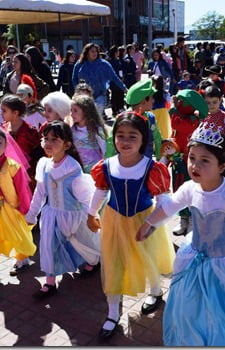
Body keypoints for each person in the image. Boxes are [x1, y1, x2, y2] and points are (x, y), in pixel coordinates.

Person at [136, 122, 225, 346]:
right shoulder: (190, 188)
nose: (195, 165)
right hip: (195, 257)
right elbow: (170, 207)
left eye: (205, 160)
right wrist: (149, 223)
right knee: (192, 306)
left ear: (222, 167)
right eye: (192, 158)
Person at [87, 112, 175, 338]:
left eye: (132, 136)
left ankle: (155, 293)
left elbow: (164, 203)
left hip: (144, 221)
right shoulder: (105, 166)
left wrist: (151, 224)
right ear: (114, 138)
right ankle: (112, 312)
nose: (125, 142)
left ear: (143, 140)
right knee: (113, 263)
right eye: (120, 135)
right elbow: (100, 191)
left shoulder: (152, 168)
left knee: (149, 259)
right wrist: (90, 213)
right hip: (114, 221)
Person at [25, 121, 101, 299]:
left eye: (54, 139)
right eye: (45, 138)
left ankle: (94, 261)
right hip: (51, 215)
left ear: (67, 144)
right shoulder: (44, 164)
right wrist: (32, 214)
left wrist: (92, 216)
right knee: (48, 246)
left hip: (73, 216)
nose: (48, 143)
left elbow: (85, 198)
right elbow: (40, 192)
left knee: (82, 242)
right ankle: (50, 281)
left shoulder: (73, 169)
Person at [0, 126, 37, 283]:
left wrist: (26, 209)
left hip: (11, 208)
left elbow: (23, 190)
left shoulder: (13, 166)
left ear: (6, 144)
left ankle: (22, 259)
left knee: (18, 235)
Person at [167, 89, 209, 236]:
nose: (177, 103)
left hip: (191, 162)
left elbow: (178, 124)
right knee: (178, 189)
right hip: (178, 160)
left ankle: (192, 220)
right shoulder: (178, 115)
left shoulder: (192, 120)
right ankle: (182, 219)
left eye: (181, 101)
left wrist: (174, 110)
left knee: (192, 190)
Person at [0, 94, 44, 190]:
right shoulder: (2, 129)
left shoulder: (30, 131)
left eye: (4, 111)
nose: (1, 113)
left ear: (15, 113)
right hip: (7, 174)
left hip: (27, 176)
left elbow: (38, 156)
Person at [71, 43, 127, 118]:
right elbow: (74, 78)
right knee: (86, 118)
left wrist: (124, 88)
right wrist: (77, 90)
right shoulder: (80, 64)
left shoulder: (104, 64)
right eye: (92, 51)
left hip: (100, 95)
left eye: (96, 51)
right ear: (87, 52)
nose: (95, 53)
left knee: (95, 116)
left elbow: (114, 77)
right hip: (85, 95)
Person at [70, 94, 108, 173]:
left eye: (75, 110)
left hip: (96, 169)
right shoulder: (71, 130)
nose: (71, 114)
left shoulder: (96, 129)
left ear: (86, 111)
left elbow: (104, 149)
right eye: (71, 110)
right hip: (79, 169)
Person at [150, 74, 172, 140]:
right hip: (163, 113)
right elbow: (168, 104)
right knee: (163, 132)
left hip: (152, 112)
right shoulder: (165, 93)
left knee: (152, 131)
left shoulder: (150, 93)